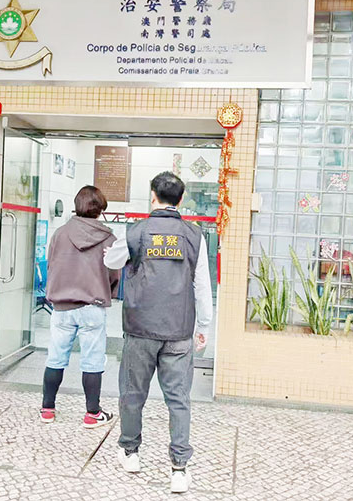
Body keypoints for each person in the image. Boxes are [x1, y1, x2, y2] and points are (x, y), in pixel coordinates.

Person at [103, 171, 213, 494]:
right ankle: (179, 469)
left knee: (132, 393)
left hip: (140, 329)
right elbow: (202, 286)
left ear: (153, 196)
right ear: (181, 199)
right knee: (178, 400)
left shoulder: (136, 232)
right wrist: (204, 326)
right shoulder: (194, 235)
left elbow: (111, 260)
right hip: (179, 331)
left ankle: (130, 453)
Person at [40, 185, 120, 428]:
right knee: (93, 361)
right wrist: (108, 291)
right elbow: (114, 273)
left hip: (62, 307)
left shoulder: (60, 234)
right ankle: (92, 413)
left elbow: (51, 264)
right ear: (101, 209)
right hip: (92, 306)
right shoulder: (108, 238)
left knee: (55, 357)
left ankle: (47, 409)